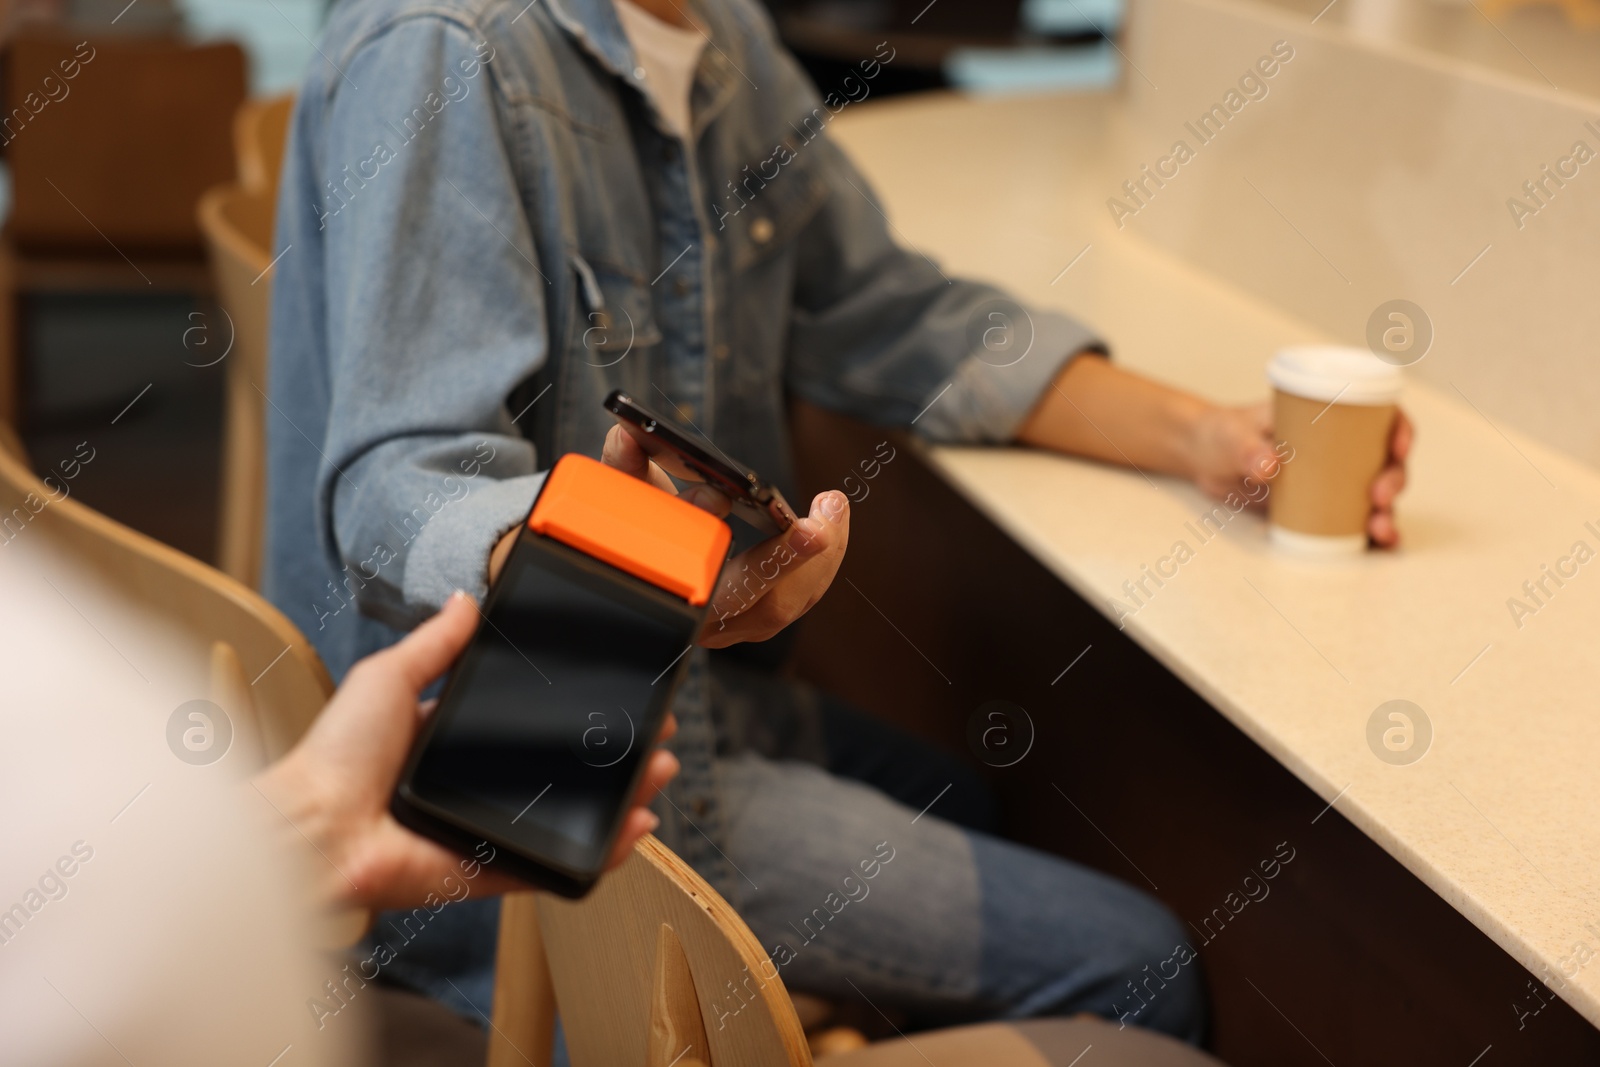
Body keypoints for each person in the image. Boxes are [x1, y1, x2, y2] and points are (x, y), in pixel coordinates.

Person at [263, 0, 1410, 1045]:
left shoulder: (724, 41)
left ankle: (788, 1020)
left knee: (964, 789)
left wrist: (1202, 435)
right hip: (518, 777)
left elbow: (891, 314)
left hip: (694, 707)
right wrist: (626, 582)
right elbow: (397, 489)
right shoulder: (440, 52)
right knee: (1139, 960)